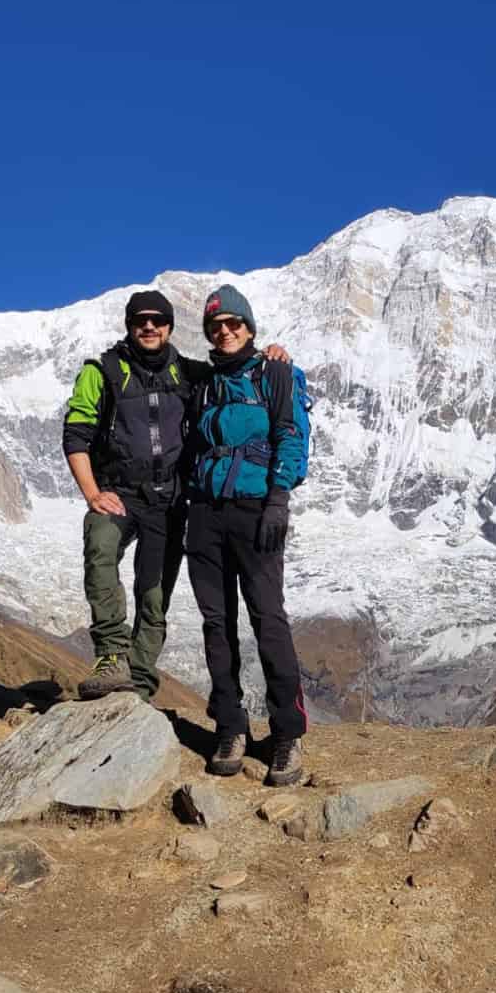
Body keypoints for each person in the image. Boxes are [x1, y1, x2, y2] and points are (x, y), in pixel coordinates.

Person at [183, 283, 308, 786]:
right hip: (207, 514)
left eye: (234, 324)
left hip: (257, 511)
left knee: (268, 619)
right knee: (217, 623)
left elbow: (292, 437)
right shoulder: (203, 382)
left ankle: (286, 734)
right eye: (216, 326)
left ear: (250, 329)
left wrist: (279, 499)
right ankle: (231, 727)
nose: (226, 331)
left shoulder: (277, 374)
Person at [62, 290, 198, 703]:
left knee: (154, 598)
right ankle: (110, 656)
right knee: (100, 544)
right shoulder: (101, 370)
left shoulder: (190, 374)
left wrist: (273, 355)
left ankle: (137, 685)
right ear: (129, 325)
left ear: (170, 326)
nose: (150, 326)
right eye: (141, 320)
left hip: (168, 501)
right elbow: (76, 433)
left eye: (158, 320)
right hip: (118, 493)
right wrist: (92, 493)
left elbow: (240, 373)